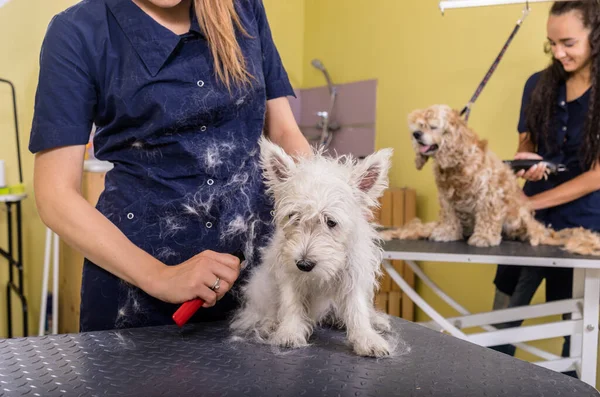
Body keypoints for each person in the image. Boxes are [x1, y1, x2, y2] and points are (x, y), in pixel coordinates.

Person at [29, 0, 311, 332]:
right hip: (136, 299)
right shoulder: (78, 30)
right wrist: (160, 276)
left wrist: (328, 195)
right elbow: (55, 196)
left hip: (258, 281)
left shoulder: (243, 10)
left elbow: (283, 132)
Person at [491, 1, 600, 368]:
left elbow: (598, 174)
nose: (558, 52)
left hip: (583, 225)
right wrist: (528, 163)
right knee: (499, 323)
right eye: (551, 43)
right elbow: (526, 145)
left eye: (568, 42)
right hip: (531, 220)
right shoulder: (537, 85)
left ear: (595, 36)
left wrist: (527, 205)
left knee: (578, 333)